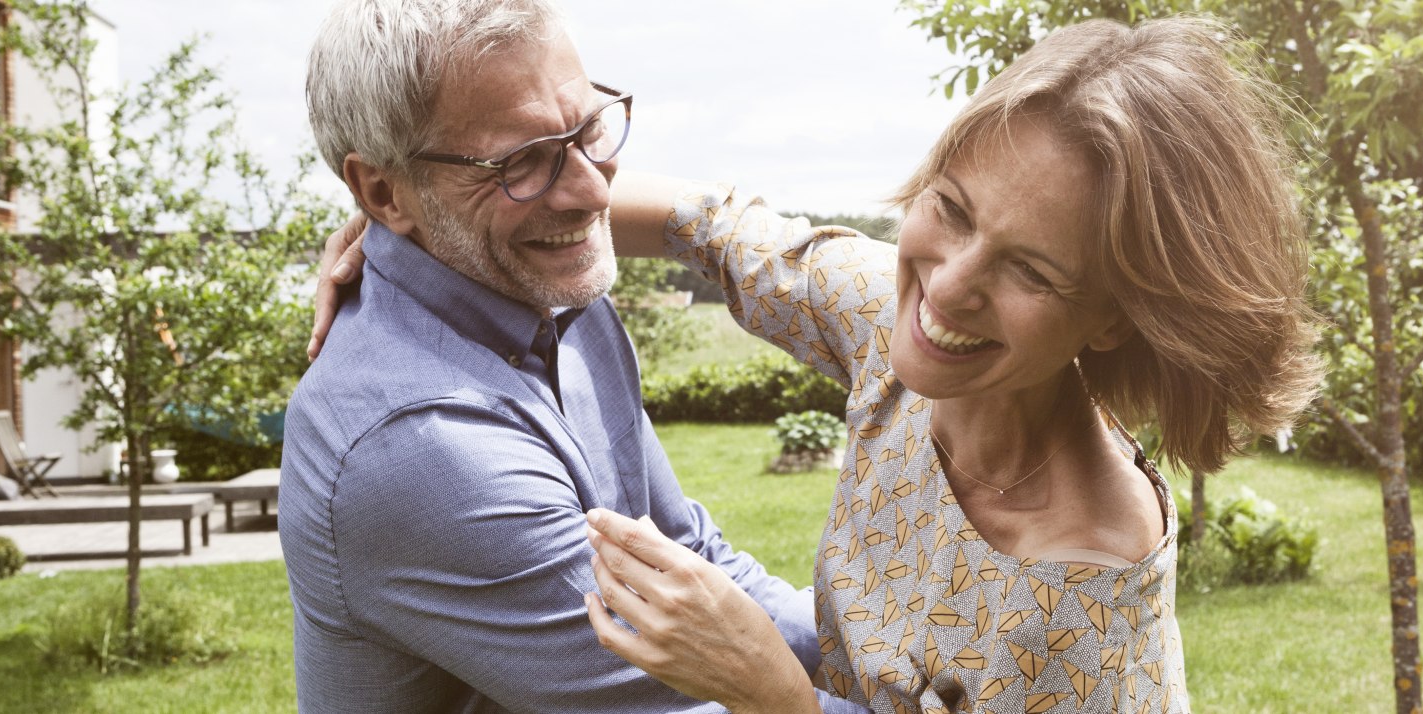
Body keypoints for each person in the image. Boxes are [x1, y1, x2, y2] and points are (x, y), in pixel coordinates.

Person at [311, 13, 1321, 714]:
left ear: (1112, 317)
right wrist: (417, 229)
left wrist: (778, 697)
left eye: (1032, 271)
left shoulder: (1080, 594)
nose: (948, 289)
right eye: (952, 211)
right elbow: (714, 225)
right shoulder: (888, 325)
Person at [284, 1, 861, 712]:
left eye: (588, 128)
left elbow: (692, 566)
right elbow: (699, 695)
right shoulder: (420, 445)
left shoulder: (548, 292)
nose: (593, 192)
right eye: (520, 161)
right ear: (380, 190)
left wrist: (910, 653)